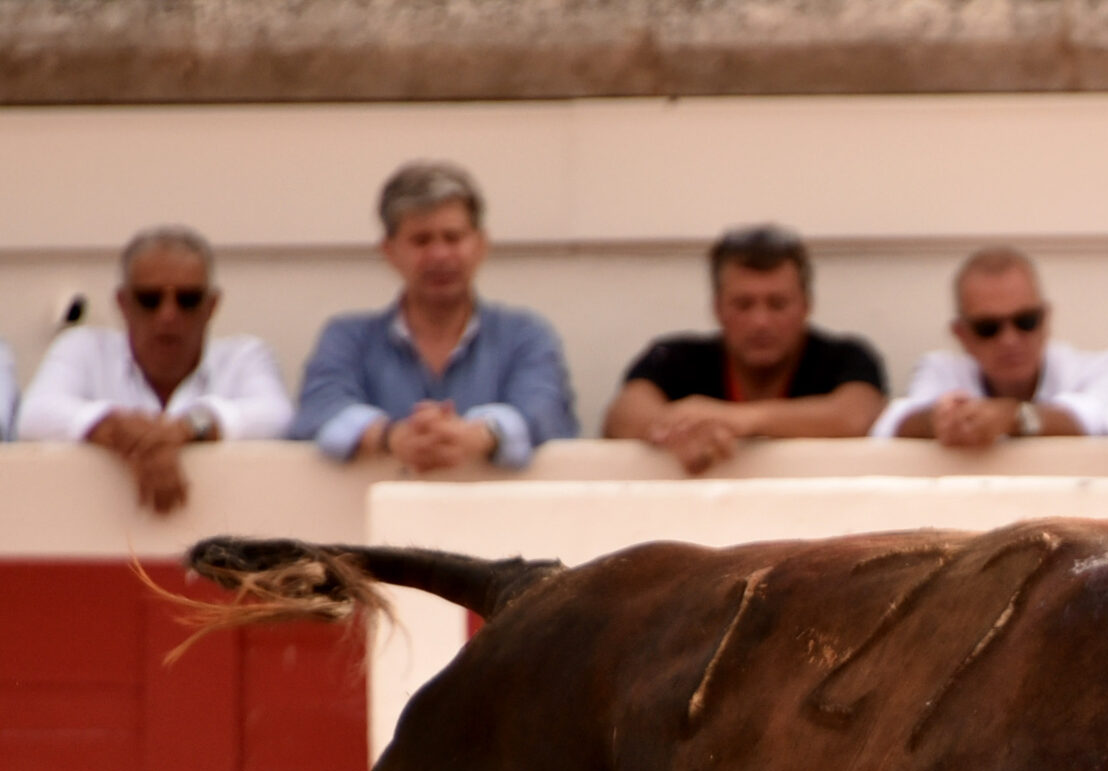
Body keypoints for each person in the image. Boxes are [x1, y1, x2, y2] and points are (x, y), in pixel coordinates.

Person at [291, 159, 576, 471]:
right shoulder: (348, 338)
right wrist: (393, 438)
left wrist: (476, 437)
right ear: (389, 251)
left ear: (481, 245)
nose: (439, 255)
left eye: (453, 238)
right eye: (421, 240)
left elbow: (545, 414)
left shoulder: (525, 335)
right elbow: (319, 411)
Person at [15, 225, 292, 513]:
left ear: (212, 305)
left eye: (187, 299)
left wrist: (188, 428)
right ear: (123, 304)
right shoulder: (83, 349)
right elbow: (34, 415)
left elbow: (277, 417)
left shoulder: (245, 357)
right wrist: (115, 426)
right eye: (149, 299)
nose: (168, 315)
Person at [605, 225, 887, 472]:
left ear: (806, 305)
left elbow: (858, 417)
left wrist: (742, 419)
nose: (760, 322)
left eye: (778, 304)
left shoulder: (845, 357)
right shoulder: (674, 358)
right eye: (743, 305)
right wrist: (681, 432)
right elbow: (623, 416)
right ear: (717, 308)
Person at [872, 246, 1108, 445]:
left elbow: (1099, 418)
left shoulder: (1098, 369)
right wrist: (937, 421)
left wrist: (1015, 418)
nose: (1009, 339)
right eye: (988, 328)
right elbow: (890, 426)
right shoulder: (941, 369)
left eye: (1025, 321)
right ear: (961, 335)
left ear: (1046, 319)